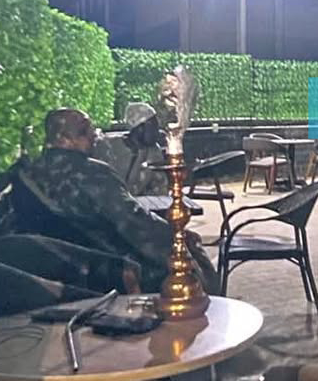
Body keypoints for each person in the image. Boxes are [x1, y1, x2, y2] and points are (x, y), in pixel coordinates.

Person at [14, 108, 219, 294]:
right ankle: (212, 308)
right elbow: (133, 222)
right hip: (110, 267)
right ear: (65, 138)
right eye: (85, 131)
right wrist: (177, 237)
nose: (94, 135)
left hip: (59, 262)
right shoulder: (91, 173)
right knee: (189, 256)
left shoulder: (29, 172)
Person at [94, 102, 169, 196]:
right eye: (153, 127)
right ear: (139, 128)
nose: (157, 132)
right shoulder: (110, 147)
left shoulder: (154, 151)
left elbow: (161, 187)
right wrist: (140, 157)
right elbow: (124, 191)